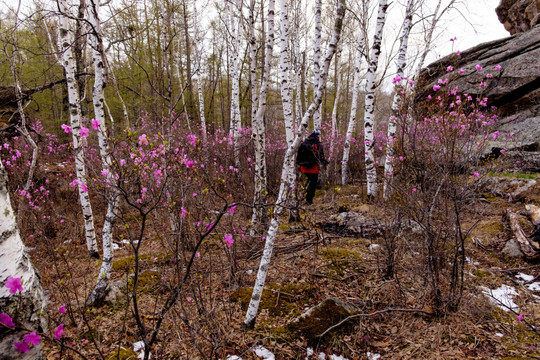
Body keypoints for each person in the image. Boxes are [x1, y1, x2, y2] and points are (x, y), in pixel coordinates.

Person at [298, 129, 327, 204]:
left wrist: (299, 164)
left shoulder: (304, 142)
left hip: (303, 167)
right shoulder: (318, 144)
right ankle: (309, 200)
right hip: (313, 167)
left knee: (309, 180)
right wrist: (324, 163)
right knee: (313, 183)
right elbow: (321, 156)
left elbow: (299, 155)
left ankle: (303, 192)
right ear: (318, 136)